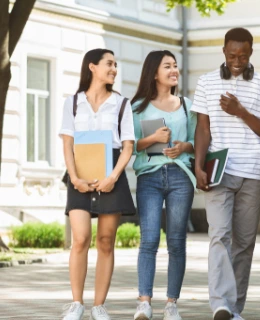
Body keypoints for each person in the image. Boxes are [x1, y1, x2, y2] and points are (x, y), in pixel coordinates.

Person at [191, 27, 260, 320]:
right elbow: (202, 129)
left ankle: (234, 308)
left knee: (244, 242)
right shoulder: (206, 82)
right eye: (232, 55)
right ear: (224, 52)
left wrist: (241, 111)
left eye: (242, 55)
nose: (237, 61)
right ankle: (220, 302)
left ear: (251, 52)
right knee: (219, 235)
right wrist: (198, 165)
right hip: (220, 170)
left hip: (253, 172)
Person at [59, 48, 136, 320]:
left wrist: (113, 177)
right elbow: (67, 144)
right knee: (80, 239)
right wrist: (74, 177)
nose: (114, 68)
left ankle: (99, 306)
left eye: (116, 64)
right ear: (92, 67)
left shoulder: (122, 104)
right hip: (79, 172)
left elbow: (128, 146)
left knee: (106, 241)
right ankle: (76, 303)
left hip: (111, 173)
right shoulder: (72, 103)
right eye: (109, 63)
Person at [130, 50, 197, 320]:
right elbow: (130, 145)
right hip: (149, 176)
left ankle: (171, 304)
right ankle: (144, 302)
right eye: (167, 66)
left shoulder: (186, 105)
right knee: (148, 240)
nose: (174, 71)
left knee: (177, 241)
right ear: (154, 72)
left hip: (181, 176)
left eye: (175, 66)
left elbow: (198, 142)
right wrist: (152, 139)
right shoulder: (137, 107)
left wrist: (183, 146)